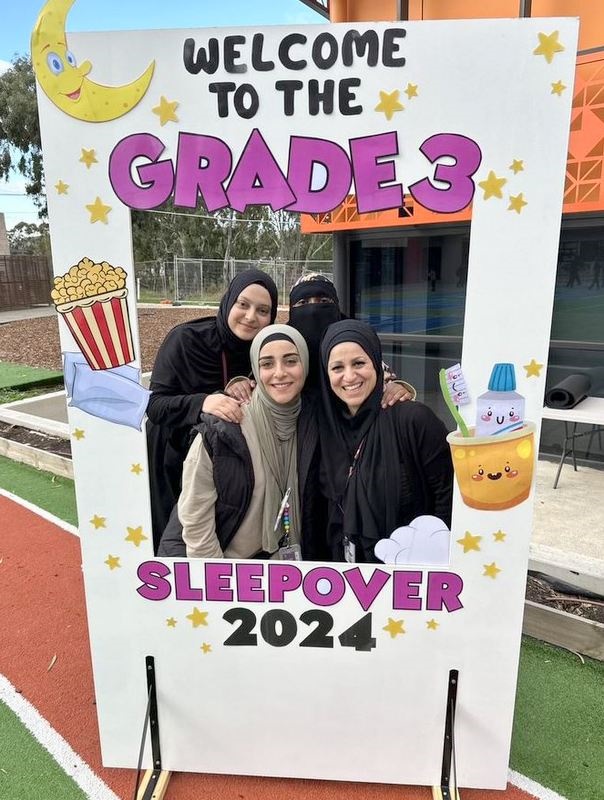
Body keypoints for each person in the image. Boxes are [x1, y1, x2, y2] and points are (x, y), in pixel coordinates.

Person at [158, 325, 326, 560]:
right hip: (227, 564)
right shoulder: (224, 428)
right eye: (267, 364)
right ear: (256, 370)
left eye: (290, 361)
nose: (279, 373)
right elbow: (195, 519)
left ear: (305, 365)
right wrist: (218, 575)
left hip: (284, 565)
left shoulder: (315, 422)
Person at [146, 269, 278, 549]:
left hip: (226, 463)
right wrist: (204, 402)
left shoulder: (266, 351)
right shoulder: (185, 340)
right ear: (229, 302)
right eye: (243, 304)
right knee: (177, 540)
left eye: (263, 310)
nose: (251, 316)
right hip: (173, 458)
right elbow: (155, 405)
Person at [319, 319, 453, 563]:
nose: (349, 376)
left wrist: (437, 561)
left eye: (359, 363)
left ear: (376, 363)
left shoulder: (413, 419)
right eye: (337, 367)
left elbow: (447, 495)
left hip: (409, 573)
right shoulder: (326, 430)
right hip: (345, 575)